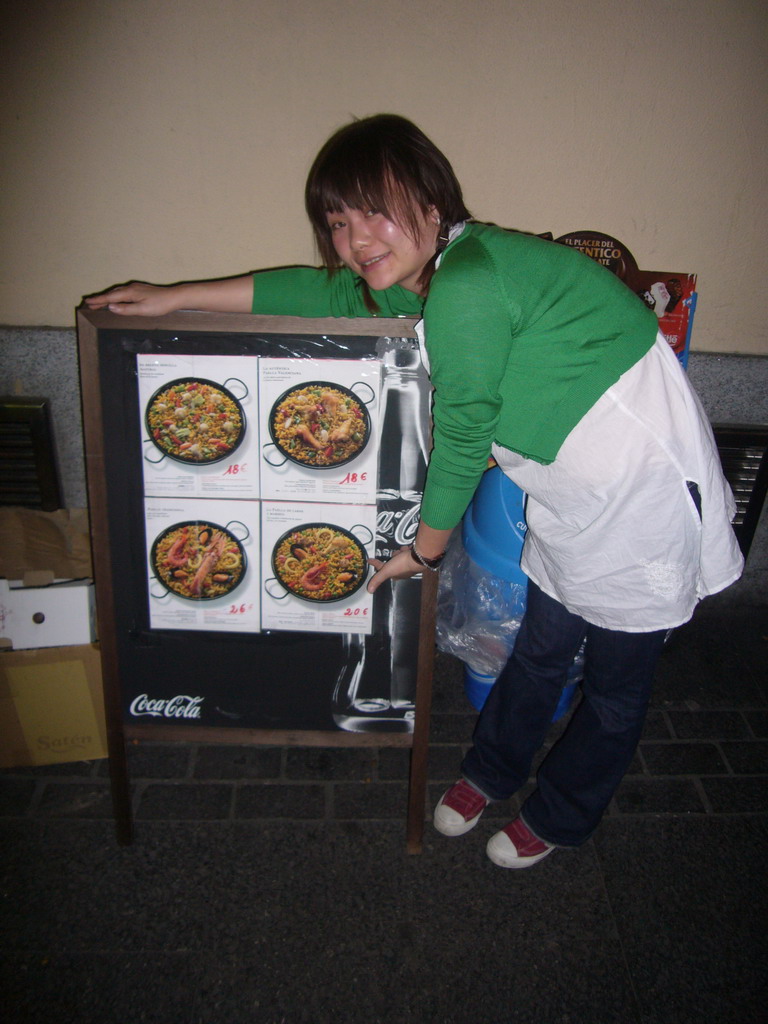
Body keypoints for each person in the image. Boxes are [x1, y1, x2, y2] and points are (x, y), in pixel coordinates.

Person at [86, 113, 743, 869]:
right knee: (542, 649)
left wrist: (422, 554)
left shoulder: (467, 280)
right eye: (337, 219)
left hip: (640, 494)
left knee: (619, 685)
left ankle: (564, 814)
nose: (356, 237)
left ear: (433, 203)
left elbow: (464, 437)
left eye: (375, 209)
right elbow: (323, 293)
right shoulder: (439, 275)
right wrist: (174, 298)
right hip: (571, 492)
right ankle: (491, 771)